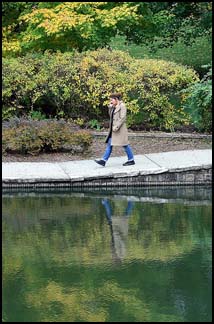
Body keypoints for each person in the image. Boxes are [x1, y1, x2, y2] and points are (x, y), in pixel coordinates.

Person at [95, 93, 135, 167]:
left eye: (112, 100)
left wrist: (116, 127)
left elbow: (122, 118)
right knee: (110, 144)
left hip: (120, 129)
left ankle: (131, 159)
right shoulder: (114, 106)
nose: (111, 101)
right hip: (113, 130)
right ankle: (103, 160)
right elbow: (111, 116)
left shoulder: (122, 106)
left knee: (125, 144)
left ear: (116, 99)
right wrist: (110, 107)